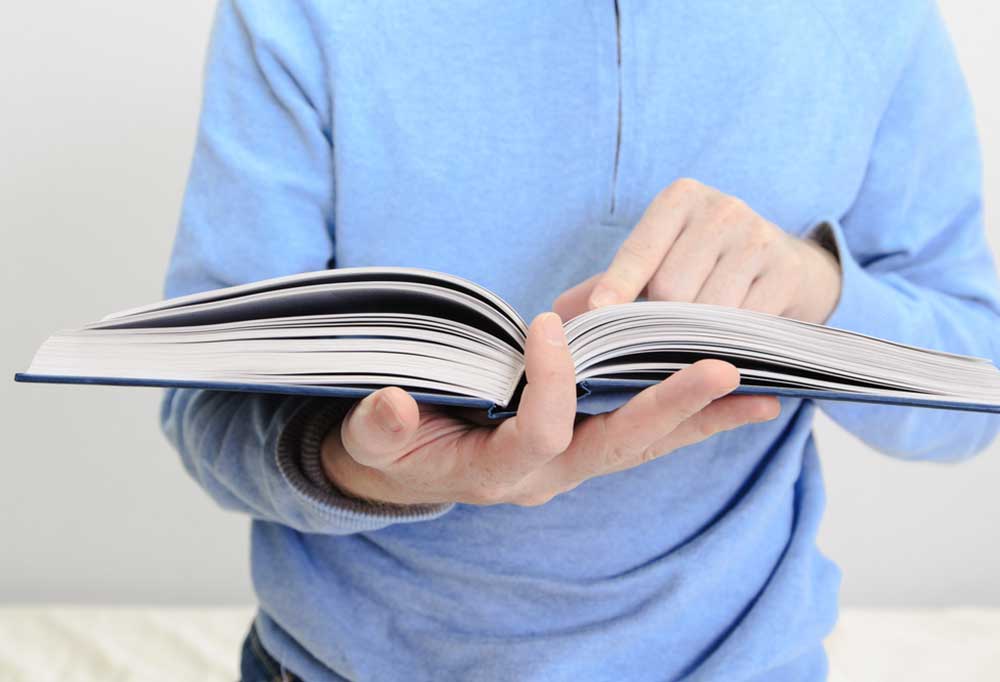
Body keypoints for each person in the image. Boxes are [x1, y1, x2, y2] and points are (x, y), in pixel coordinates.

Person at [160, 1, 1000, 680]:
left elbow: (977, 388)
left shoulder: (878, 20)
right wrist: (351, 464)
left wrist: (819, 288)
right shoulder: (292, 14)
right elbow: (206, 402)